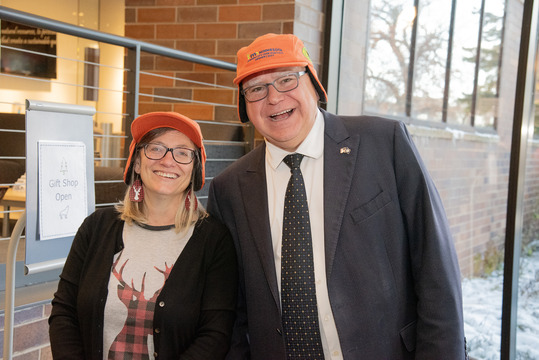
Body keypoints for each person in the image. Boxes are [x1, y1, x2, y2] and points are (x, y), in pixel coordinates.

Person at [206, 33, 468, 359]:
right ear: (245, 105)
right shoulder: (228, 188)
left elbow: (435, 271)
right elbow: (231, 308)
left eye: (287, 80)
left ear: (314, 86)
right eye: (256, 89)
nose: (273, 98)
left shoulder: (384, 144)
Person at [49, 112, 238, 359]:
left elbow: (215, 335)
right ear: (136, 163)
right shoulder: (96, 227)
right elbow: (64, 312)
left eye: (182, 153)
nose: (168, 161)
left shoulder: (214, 240)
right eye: (156, 148)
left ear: (195, 169)